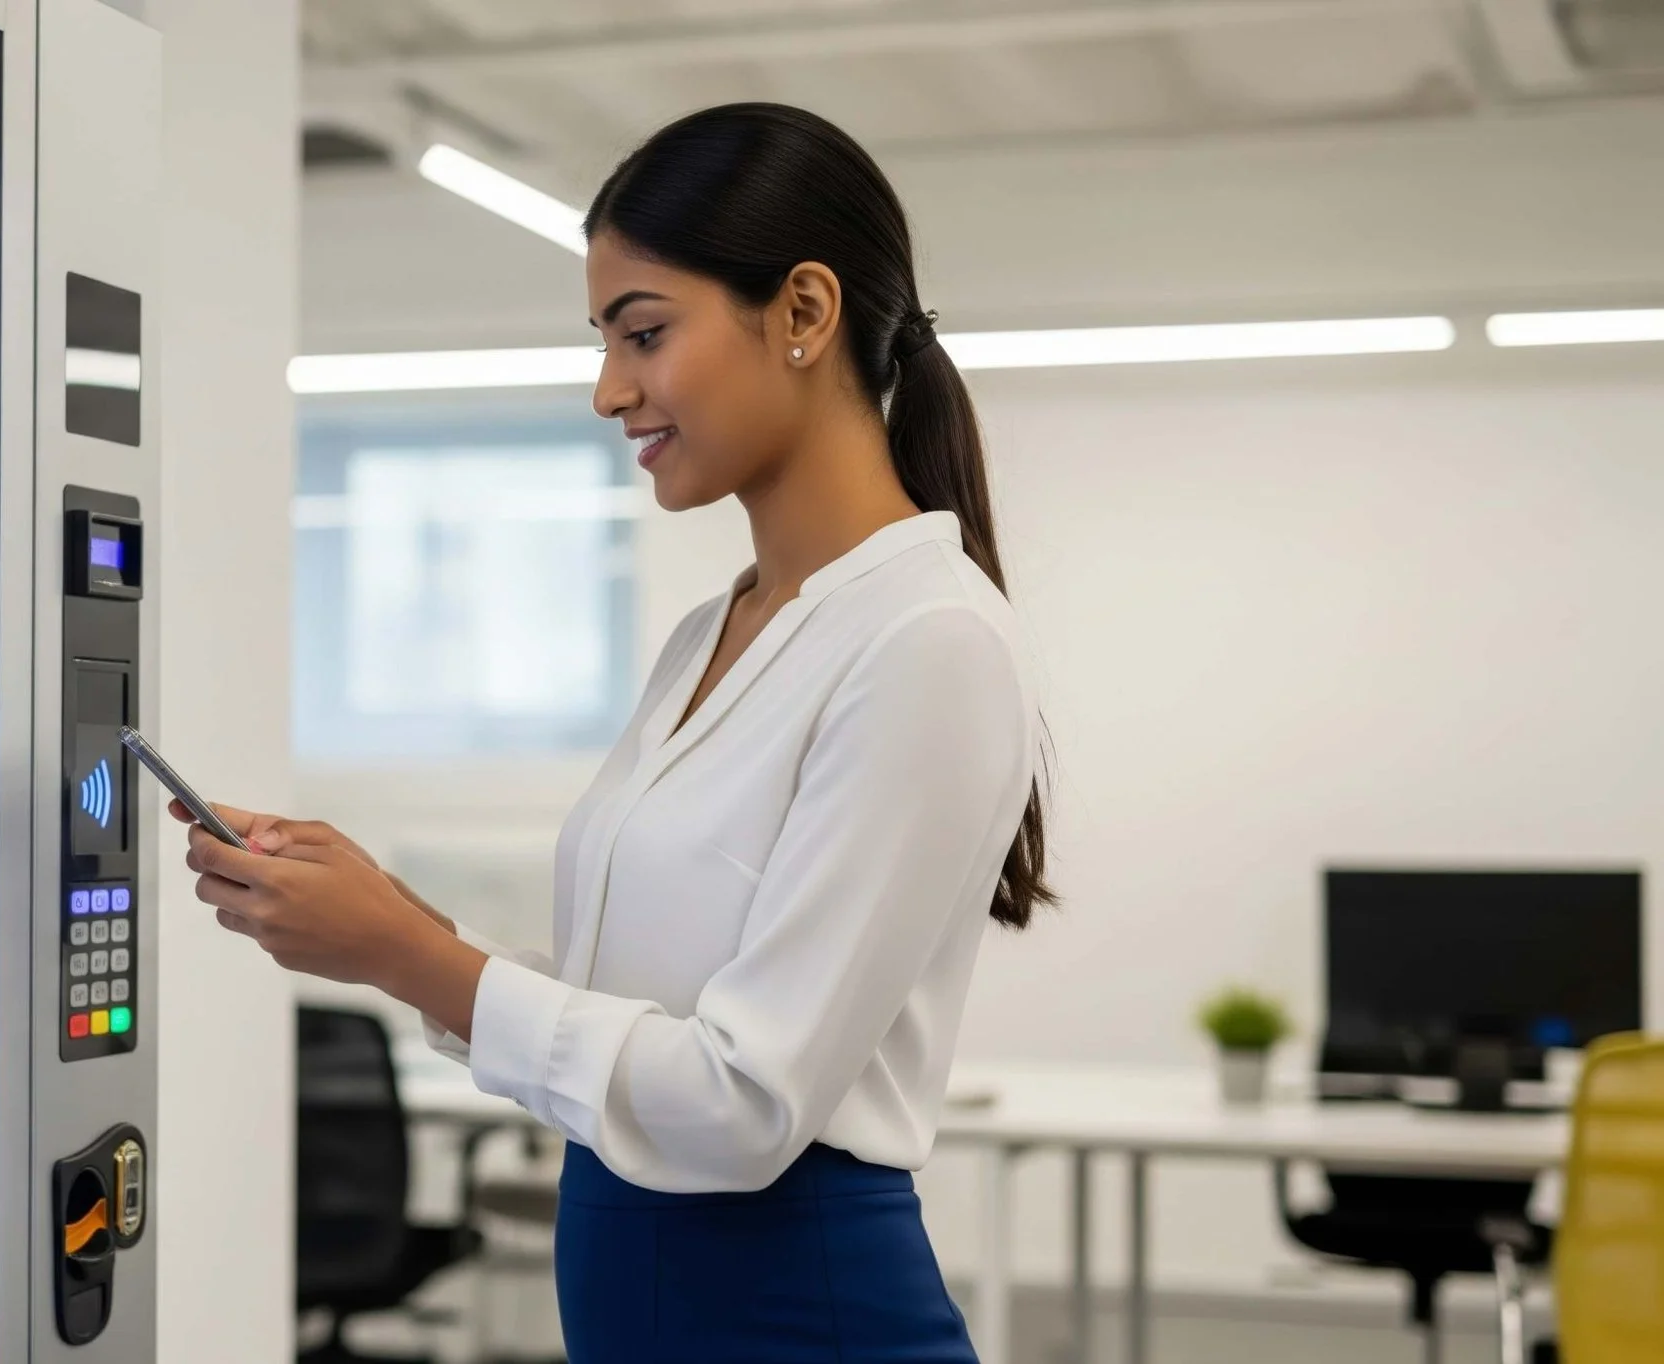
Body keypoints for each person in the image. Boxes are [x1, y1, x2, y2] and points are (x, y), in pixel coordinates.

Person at [180, 102, 1046, 1362]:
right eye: (603, 340)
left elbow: (743, 1101)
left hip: (793, 1311)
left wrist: (410, 958)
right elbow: (627, 992)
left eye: (644, 332)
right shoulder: (714, 631)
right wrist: (387, 923)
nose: (607, 389)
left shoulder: (928, 640)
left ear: (803, 313)